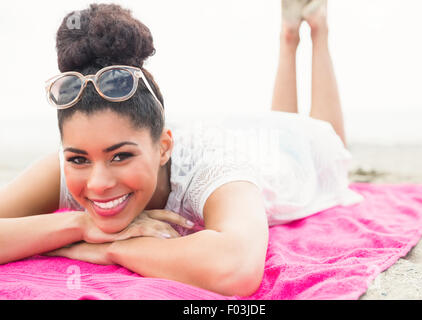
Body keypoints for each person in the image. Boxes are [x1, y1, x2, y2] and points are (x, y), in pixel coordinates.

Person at [0, 1, 362, 296]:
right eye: (79, 158)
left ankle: (317, 29)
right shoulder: (72, 167)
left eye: (121, 156)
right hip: (238, 133)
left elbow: (236, 267)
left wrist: (107, 248)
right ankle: (288, 37)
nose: (97, 183)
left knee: (315, 138)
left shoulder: (214, 168)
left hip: (279, 161)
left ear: (163, 147)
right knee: (282, 126)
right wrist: (79, 226)